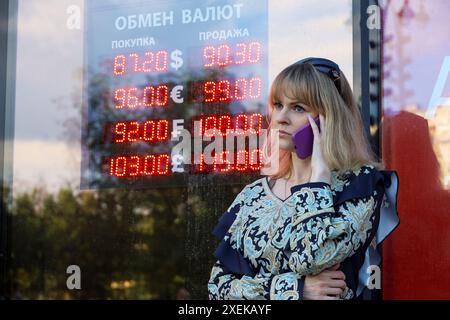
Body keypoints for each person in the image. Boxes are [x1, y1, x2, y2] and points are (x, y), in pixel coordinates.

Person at [207, 57, 399, 300]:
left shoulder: (360, 184)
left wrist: (318, 179)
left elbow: (312, 259)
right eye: (278, 105)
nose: (280, 118)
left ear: (328, 117)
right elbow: (217, 289)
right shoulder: (252, 196)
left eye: (298, 108)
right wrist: (295, 290)